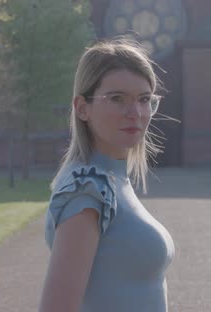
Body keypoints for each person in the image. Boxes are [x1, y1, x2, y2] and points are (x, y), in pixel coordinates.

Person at [39, 38, 175, 312]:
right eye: (117, 99)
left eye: (144, 99)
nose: (135, 113)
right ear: (82, 108)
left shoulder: (112, 181)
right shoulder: (87, 189)